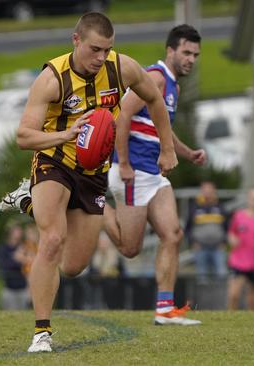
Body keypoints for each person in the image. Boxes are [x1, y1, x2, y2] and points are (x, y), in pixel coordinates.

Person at [0, 12, 180, 352]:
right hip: (54, 161)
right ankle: (41, 333)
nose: (101, 58)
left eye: (107, 49)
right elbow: (23, 136)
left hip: (93, 172)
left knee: (72, 266)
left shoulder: (120, 67)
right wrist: (66, 134)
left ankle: (27, 200)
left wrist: (167, 148)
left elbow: (154, 98)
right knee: (51, 240)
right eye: (95, 49)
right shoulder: (52, 79)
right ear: (76, 40)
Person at [102, 24, 206, 325]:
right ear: (170, 51)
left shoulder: (174, 84)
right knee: (130, 249)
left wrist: (188, 153)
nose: (191, 59)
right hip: (132, 172)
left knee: (172, 235)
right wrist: (122, 164)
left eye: (195, 55)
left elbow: (163, 130)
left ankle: (164, 309)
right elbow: (122, 116)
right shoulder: (156, 78)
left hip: (154, 175)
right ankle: (89, 203)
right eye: (186, 52)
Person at [186, 181, 228, 279]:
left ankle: (220, 294)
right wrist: (192, 242)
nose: (208, 193)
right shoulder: (194, 207)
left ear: (214, 191)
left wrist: (224, 242)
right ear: (201, 191)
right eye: (205, 190)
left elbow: (227, 226)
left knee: (221, 275)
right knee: (201, 277)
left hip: (218, 248)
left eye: (210, 190)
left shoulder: (221, 207)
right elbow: (188, 228)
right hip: (200, 248)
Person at [0, 224, 31, 310]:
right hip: (9, 288)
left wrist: (20, 259)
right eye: (16, 231)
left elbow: (29, 264)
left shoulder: (24, 247)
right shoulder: (4, 248)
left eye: (20, 231)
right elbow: (4, 265)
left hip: (23, 288)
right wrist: (17, 259)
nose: (18, 233)